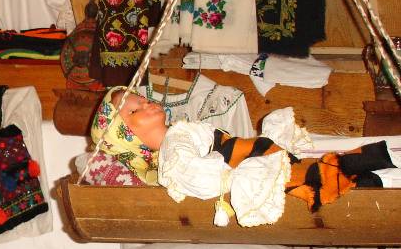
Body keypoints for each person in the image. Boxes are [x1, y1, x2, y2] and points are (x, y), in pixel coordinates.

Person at [89, 86, 393, 226]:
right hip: (245, 163)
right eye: (135, 110)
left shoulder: (178, 134)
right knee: (306, 177)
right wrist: (231, 171)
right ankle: (363, 174)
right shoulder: (173, 153)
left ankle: (362, 173)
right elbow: (199, 179)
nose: (146, 104)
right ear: (125, 135)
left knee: (305, 171)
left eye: (141, 99)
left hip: (248, 154)